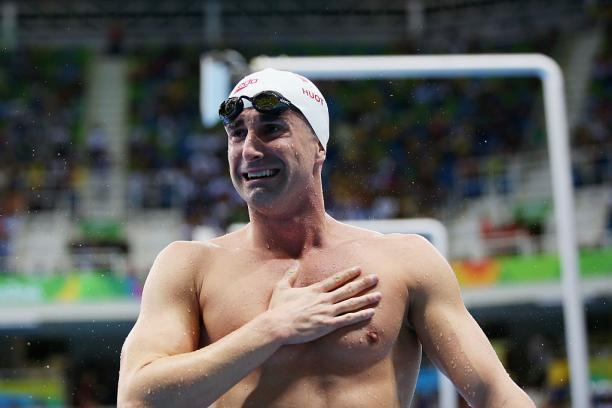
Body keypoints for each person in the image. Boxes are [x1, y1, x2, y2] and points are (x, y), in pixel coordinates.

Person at [117, 68, 535, 407]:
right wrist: (270, 329)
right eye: (237, 133)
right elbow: (138, 397)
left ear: (319, 146)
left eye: (272, 128)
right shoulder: (190, 267)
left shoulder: (406, 261)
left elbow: (493, 392)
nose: (249, 149)